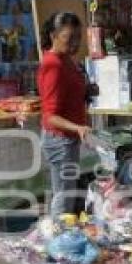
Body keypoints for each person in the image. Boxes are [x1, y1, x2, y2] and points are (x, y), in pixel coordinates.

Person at [37, 12, 91, 216]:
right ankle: (58, 238)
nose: (75, 43)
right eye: (70, 38)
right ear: (54, 36)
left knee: (66, 191)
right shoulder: (53, 65)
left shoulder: (67, 60)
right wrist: (77, 127)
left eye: (78, 37)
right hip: (60, 140)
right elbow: (50, 115)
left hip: (67, 139)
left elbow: (69, 92)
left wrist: (87, 90)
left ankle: (60, 233)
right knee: (63, 195)